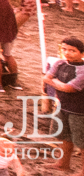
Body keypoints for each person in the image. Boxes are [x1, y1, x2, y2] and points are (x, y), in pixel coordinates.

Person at [48, 36, 84, 172]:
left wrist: (54, 81)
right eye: (64, 49)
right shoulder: (60, 63)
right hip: (62, 106)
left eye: (72, 50)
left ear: (82, 53)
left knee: (81, 141)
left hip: (79, 110)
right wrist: (59, 84)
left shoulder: (82, 70)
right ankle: (63, 164)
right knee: (64, 136)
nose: (67, 53)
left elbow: (69, 88)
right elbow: (46, 78)